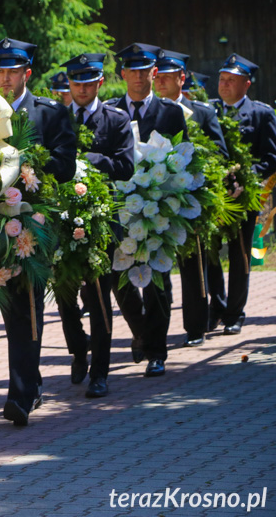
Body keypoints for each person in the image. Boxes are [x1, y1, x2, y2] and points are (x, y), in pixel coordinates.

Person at [0, 38, 77, 425]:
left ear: (27, 74)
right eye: (0, 72)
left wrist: (29, 171)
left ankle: (20, 393)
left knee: (29, 306)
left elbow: (66, 164)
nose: (6, 79)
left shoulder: (50, 113)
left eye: (13, 71)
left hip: (33, 224)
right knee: (11, 310)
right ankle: (29, 382)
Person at [106, 42, 188, 377]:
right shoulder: (113, 111)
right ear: (122, 74)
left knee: (157, 281)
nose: (139, 77)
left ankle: (156, 351)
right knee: (118, 277)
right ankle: (140, 329)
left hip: (157, 210)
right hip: (119, 209)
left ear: (154, 73)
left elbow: (184, 159)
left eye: (145, 71)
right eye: (132, 71)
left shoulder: (170, 112)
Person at [56, 53, 134, 398]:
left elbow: (126, 165)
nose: (82, 88)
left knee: (100, 297)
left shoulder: (116, 119)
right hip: (62, 219)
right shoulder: (57, 117)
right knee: (63, 295)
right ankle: (78, 349)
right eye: (76, 82)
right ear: (69, 84)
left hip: (101, 220)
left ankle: (100, 372)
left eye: (89, 82)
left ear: (100, 83)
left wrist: (90, 161)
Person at [154, 49, 228, 348]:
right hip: (154, 195)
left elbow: (220, 154)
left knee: (192, 262)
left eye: (168, 78)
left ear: (182, 79)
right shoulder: (150, 110)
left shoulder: (202, 112)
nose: (161, 83)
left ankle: (195, 326)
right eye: (158, 77)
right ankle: (156, 327)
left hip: (189, 195)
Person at [206, 53, 276, 335]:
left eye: (231, 81)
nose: (224, 85)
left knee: (240, 255)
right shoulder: (208, 110)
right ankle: (216, 306)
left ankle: (235, 313)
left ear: (246, 84)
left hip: (243, 196)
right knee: (210, 253)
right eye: (222, 80)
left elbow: (271, 155)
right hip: (213, 195)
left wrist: (247, 177)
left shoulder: (260, 113)